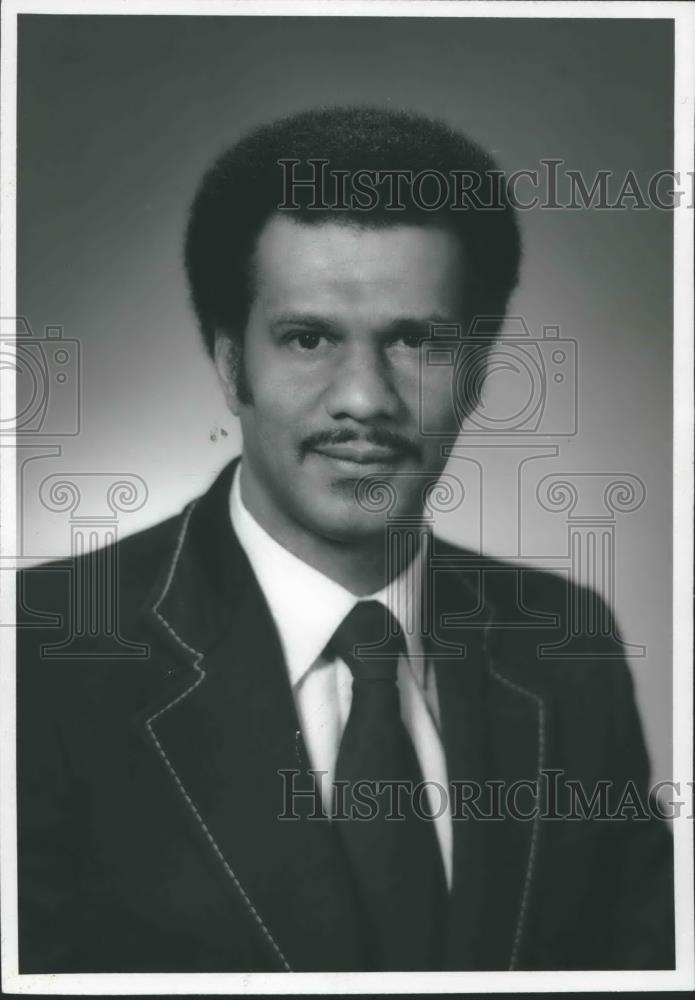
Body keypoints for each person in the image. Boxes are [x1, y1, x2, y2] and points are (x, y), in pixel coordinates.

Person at [17, 106, 674, 973]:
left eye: (414, 340)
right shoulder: (41, 652)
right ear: (228, 363)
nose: (363, 398)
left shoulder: (567, 643)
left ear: (476, 371)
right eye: (308, 337)